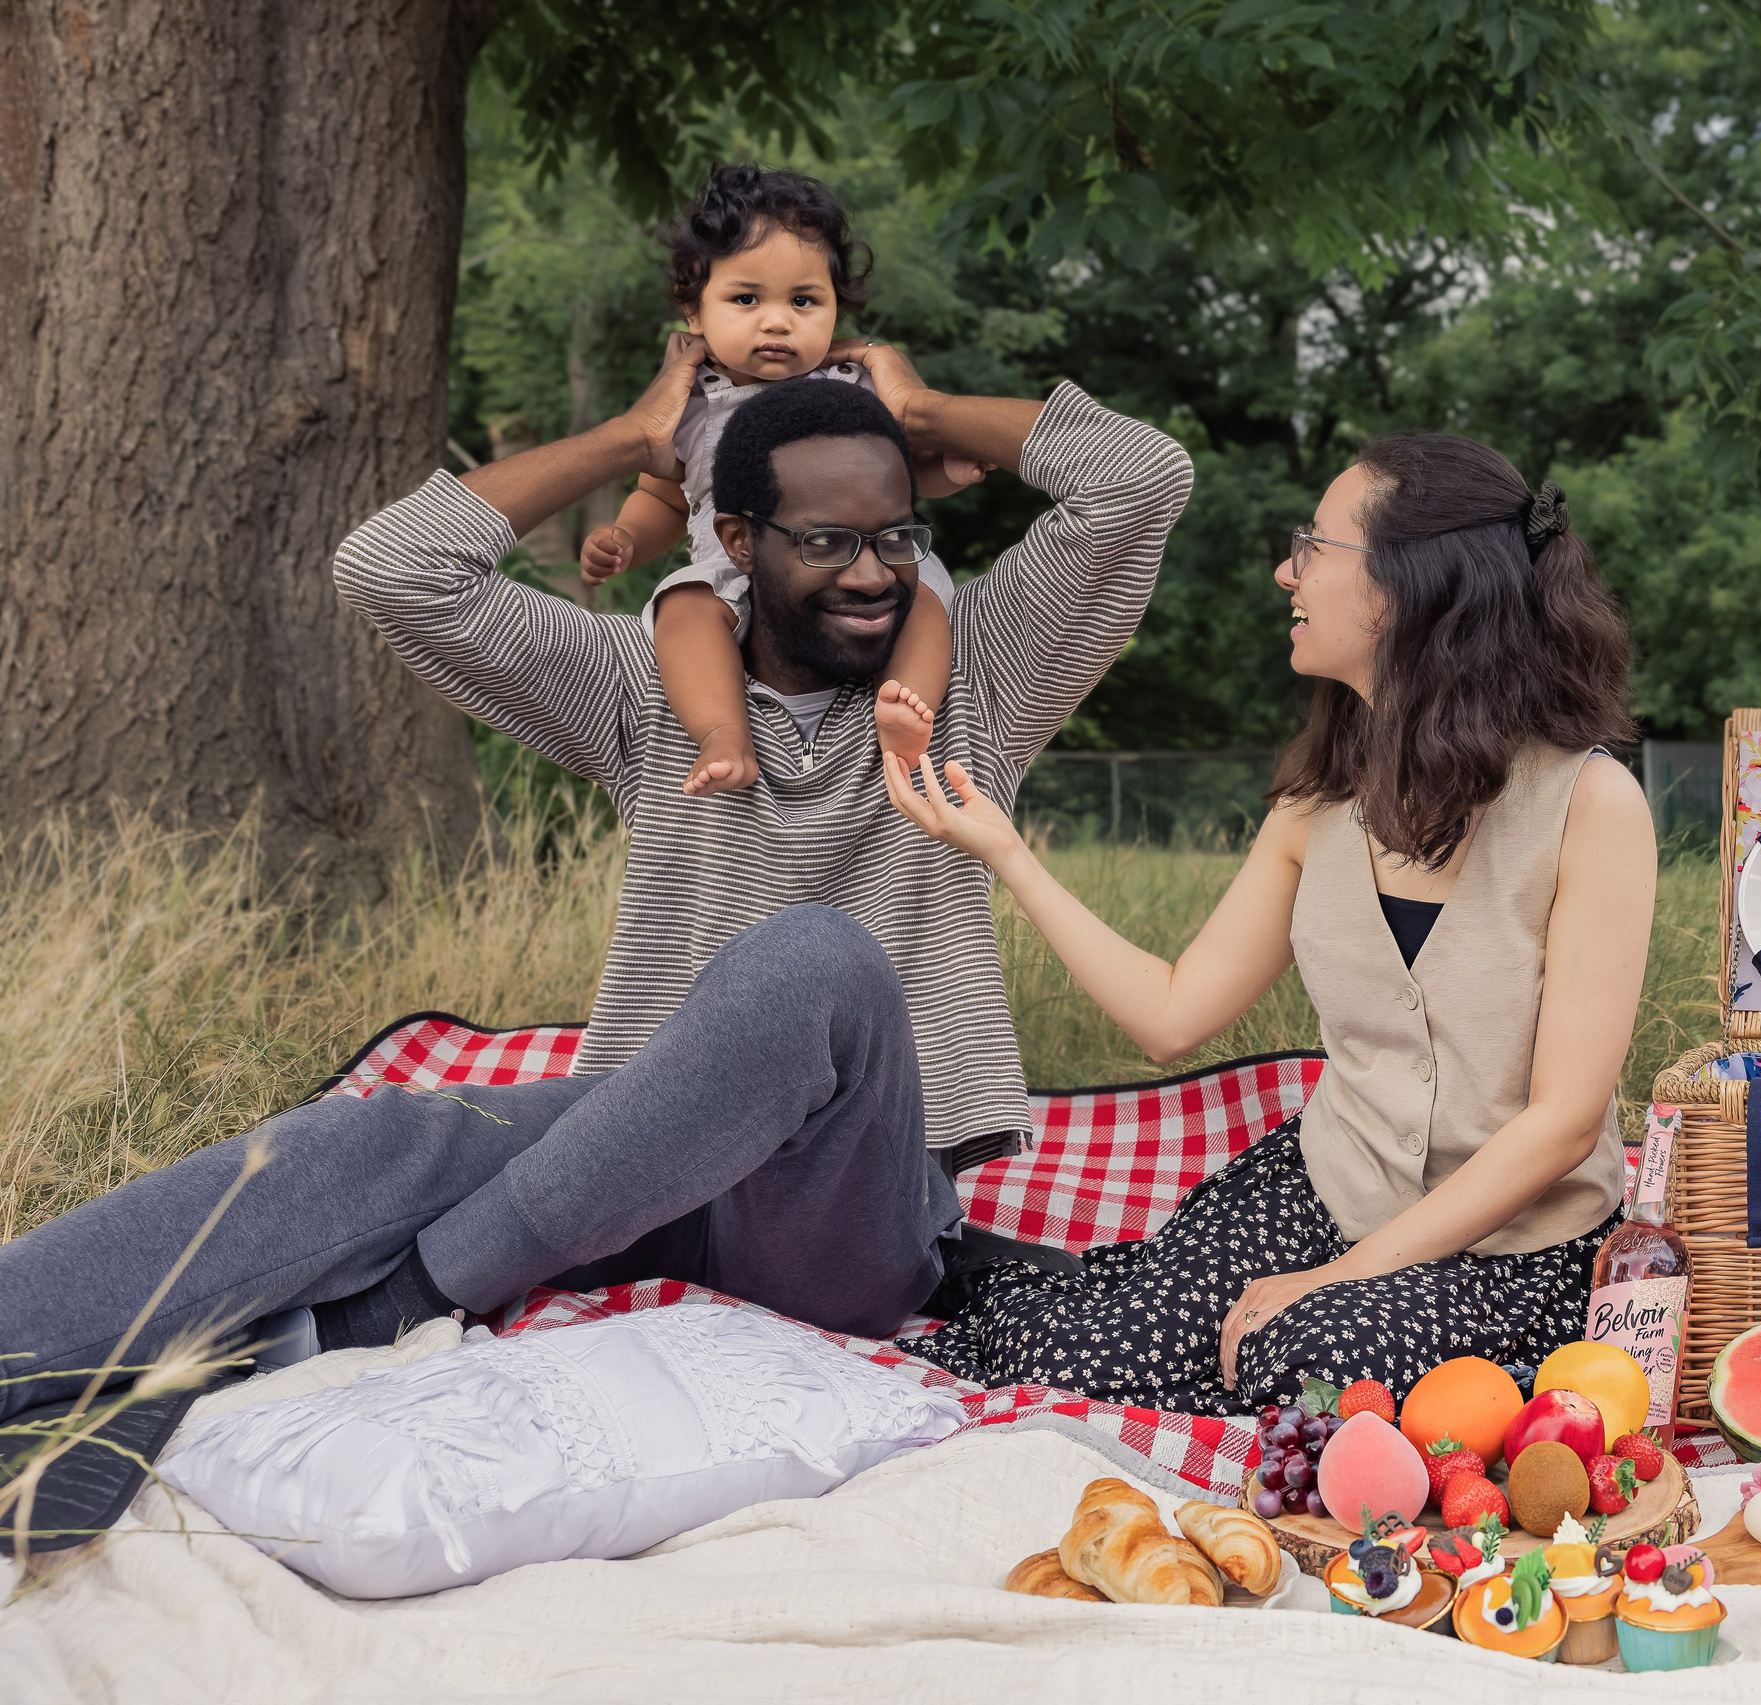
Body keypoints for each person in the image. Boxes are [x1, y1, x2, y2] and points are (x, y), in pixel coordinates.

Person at [0, 327, 1191, 1427]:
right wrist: (635, 439)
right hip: (634, 1179)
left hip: (840, 1227)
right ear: (737, 541)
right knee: (370, 1141)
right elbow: (393, 567)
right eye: (829, 540)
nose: (876, 572)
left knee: (813, 958)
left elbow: (1142, 478)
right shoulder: (641, 688)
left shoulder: (981, 677)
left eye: (895, 538)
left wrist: (920, 403)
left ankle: (398, 1305)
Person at [885, 433, 1656, 1413]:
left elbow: (1560, 1124)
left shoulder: (1590, 805)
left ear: (1403, 584)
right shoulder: (1317, 804)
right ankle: (1021, 1273)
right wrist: (1004, 850)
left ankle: (1124, 1286)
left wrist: (1343, 1276)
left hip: (1513, 1244)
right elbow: (1170, 1016)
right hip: (1326, 1184)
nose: (1283, 570)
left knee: (1304, 1360)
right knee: (1072, 1357)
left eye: (1312, 545)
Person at [579, 163, 977, 796]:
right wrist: (626, 538)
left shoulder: (859, 386)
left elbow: (911, 472)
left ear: (835, 307)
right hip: (729, 566)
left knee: (924, 597)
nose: (776, 321)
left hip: (868, 554)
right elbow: (662, 494)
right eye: (746, 299)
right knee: (683, 607)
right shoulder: (688, 406)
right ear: (693, 309)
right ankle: (722, 734)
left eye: (803, 300)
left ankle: (905, 709)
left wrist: (950, 466)